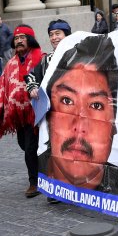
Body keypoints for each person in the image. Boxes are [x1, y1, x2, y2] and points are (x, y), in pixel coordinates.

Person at [44, 35, 118, 198]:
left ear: (114, 123)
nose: (80, 125)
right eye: (67, 100)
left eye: (96, 105)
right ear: (49, 116)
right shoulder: (40, 169)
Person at [0, 24, 45, 198]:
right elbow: (1, 86)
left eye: (23, 38)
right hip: (17, 114)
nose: (19, 41)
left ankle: (34, 183)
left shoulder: (40, 58)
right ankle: (42, 172)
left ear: (31, 40)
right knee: (24, 145)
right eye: (17, 38)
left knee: (30, 148)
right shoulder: (11, 63)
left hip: (36, 113)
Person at [24, 20, 71, 205]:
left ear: (67, 35)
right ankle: (55, 189)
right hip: (53, 115)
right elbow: (31, 76)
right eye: (51, 34)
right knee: (53, 151)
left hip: (75, 115)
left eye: (58, 33)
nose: (54, 37)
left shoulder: (79, 56)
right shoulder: (46, 59)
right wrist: (33, 87)